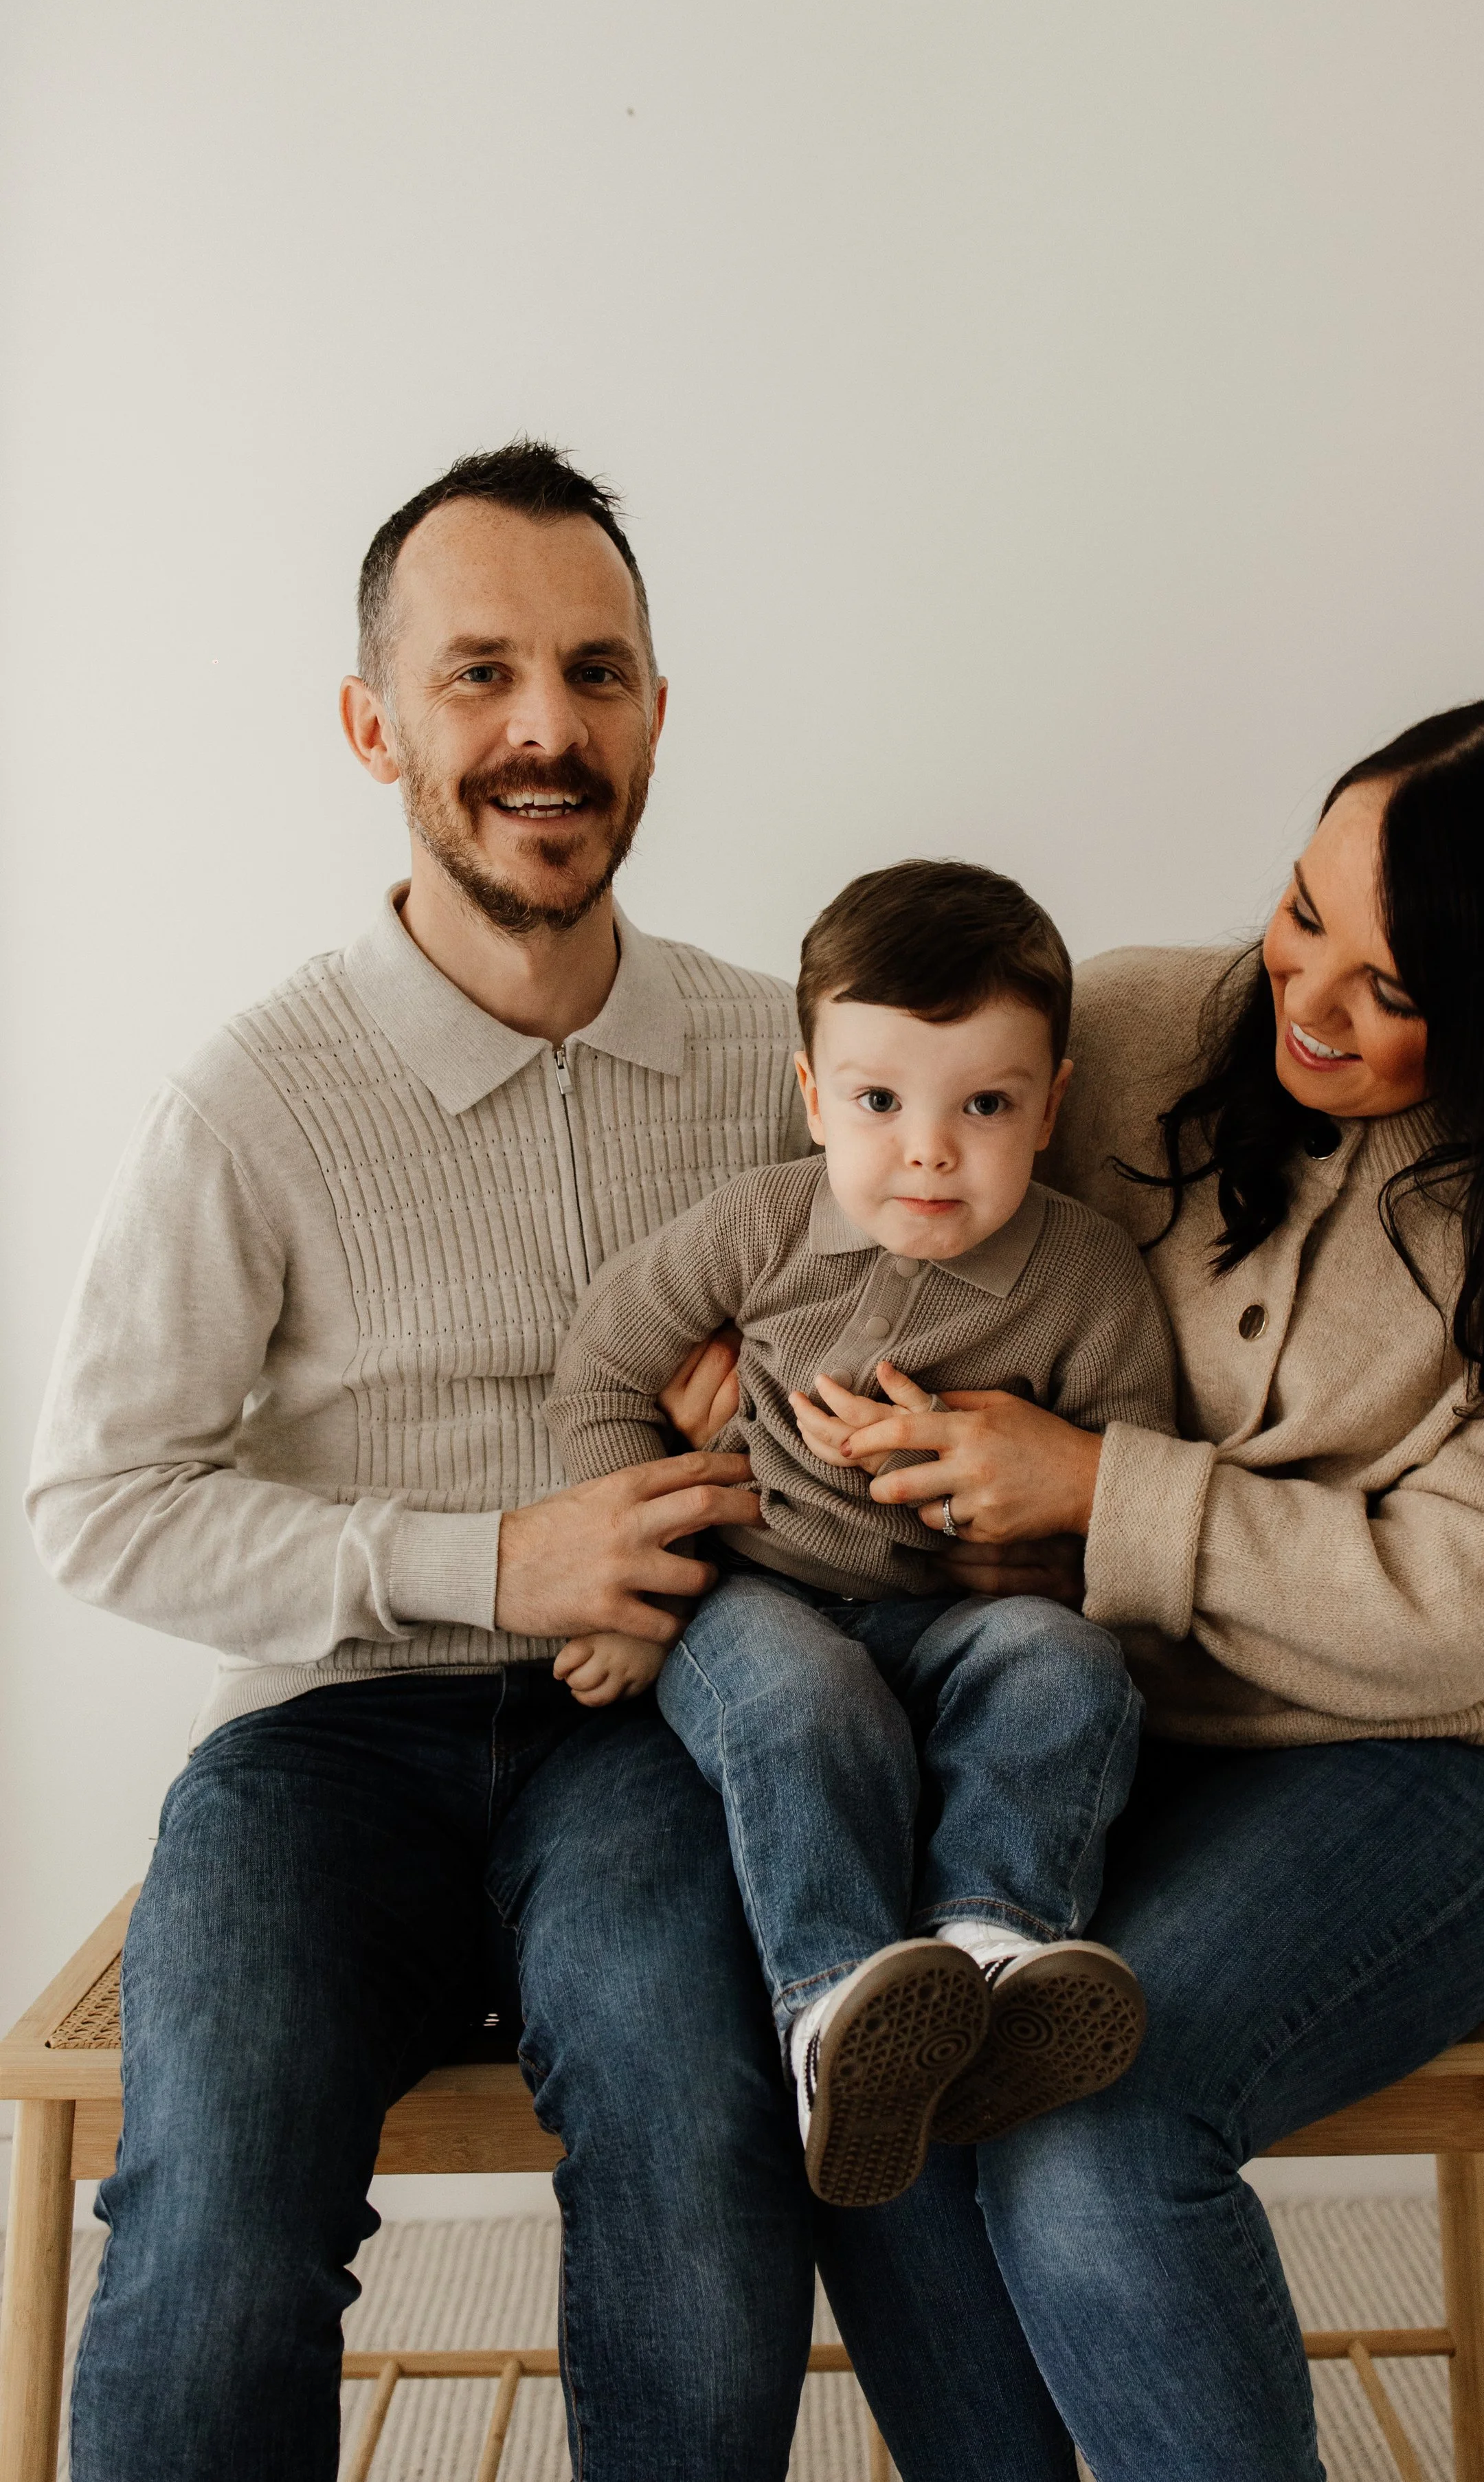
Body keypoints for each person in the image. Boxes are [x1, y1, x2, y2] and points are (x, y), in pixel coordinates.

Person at [721, 693, 1484, 2479]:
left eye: (1392, 988)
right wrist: (731, 1363)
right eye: (1300, 910)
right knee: (885, 2086)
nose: (1304, 997)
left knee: (1089, 2129)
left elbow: (1463, 1608)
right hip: (1077, 1742)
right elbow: (863, 1195)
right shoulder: (1127, 1031)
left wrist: (1103, 1494)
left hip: (1397, 1776)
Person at [27, 443, 823, 2482]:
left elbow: (941, 1349)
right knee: (215, 2212)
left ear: (657, 712)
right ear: (372, 724)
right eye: (480, 673)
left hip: (641, 1737)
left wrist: (791, 1406)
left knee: (703, 2136)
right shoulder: (249, 1097)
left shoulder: (792, 1067)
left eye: (595, 671)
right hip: (319, 1746)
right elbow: (97, 1503)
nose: (547, 727)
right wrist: (487, 1559)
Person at [546, 861, 1165, 2207]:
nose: (928, 1150)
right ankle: (835, 2020)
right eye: (879, 1102)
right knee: (799, 1693)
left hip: (955, 1617)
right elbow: (600, 1367)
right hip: (755, 1593)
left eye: (984, 1105)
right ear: (814, 1095)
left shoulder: (1087, 1282)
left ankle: (991, 1950)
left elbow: (1127, 1497)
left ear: (1050, 1106)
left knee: (1066, 1669)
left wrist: (1046, 1554)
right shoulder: (758, 1228)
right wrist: (634, 1594)